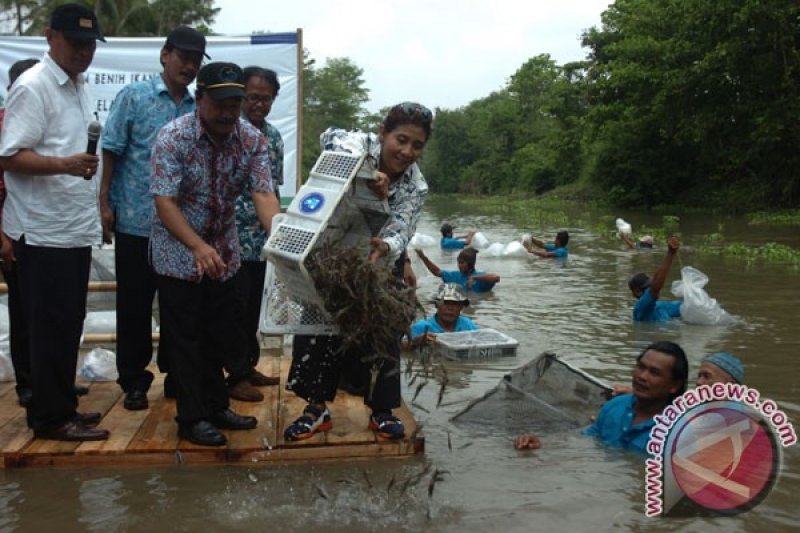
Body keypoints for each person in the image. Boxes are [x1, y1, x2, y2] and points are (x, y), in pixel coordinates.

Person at [283, 102, 433, 442]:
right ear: (383, 134)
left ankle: (381, 410)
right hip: (332, 248)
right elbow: (328, 137)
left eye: (417, 145)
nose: (407, 151)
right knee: (320, 325)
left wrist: (389, 249)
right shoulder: (359, 144)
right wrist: (364, 171)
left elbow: (403, 228)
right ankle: (315, 408)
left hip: (377, 257)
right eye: (401, 139)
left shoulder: (416, 186)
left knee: (383, 328)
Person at [150, 62, 280, 446]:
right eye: (219, 103)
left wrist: (280, 237)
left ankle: (217, 405)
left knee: (220, 332)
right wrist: (195, 245)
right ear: (200, 98)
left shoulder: (252, 140)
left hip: (224, 249)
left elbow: (263, 193)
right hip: (178, 249)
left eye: (234, 103)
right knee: (186, 337)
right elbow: (164, 201)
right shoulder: (173, 138)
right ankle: (192, 419)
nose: (227, 112)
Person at [0, 3, 108, 441]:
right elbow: (8, 156)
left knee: (68, 321)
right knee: (48, 326)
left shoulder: (76, 85)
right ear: (50, 37)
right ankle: (48, 418)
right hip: (42, 230)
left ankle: (63, 405)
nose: (84, 52)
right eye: (75, 42)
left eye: (89, 44)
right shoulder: (34, 86)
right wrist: (64, 164)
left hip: (70, 226)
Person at [100, 25, 208, 411]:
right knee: (134, 305)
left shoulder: (199, 108)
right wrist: (104, 204)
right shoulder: (134, 97)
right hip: (136, 220)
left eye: (196, 60)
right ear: (165, 55)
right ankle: (133, 380)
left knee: (180, 307)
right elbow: (110, 151)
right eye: (183, 57)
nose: (190, 66)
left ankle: (177, 375)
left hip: (181, 229)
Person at [514, 341, 689, 453]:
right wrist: (542, 444)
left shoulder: (679, 434)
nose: (642, 376)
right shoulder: (615, 406)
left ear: (675, 386)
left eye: (654, 373)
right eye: (640, 367)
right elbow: (587, 437)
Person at [228, 66, 285, 396]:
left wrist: (278, 232)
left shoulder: (274, 137)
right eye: (252, 97)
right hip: (233, 237)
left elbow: (272, 187)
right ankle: (235, 376)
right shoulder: (231, 131)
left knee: (254, 308)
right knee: (233, 307)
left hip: (262, 238)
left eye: (265, 99)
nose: (258, 104)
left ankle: (248, 366)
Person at [403, 283, 478, 349]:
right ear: (437, 305)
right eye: (445, 303)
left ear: (461, 307)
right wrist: (415, 342)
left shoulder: (468, 326)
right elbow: (400, 347)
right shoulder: (422, 327)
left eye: (455, 304)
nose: (450, 308)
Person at [629, 236, 682, 322]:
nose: (655, 291)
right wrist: (670, 254)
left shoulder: (661, 306)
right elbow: (656, 287)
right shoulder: (640, 308)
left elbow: (684, 306)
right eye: (648, 288)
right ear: (637, 292)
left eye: (651, 286)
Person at [415, 247, 499, 293]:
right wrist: (423, 257)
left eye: (462, 263)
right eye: (458, 263)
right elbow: (437, 271)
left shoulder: (481, 277)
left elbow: (496, 278)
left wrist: (474, 278)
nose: (459, 265)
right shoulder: (455, 275)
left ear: (470, 264)